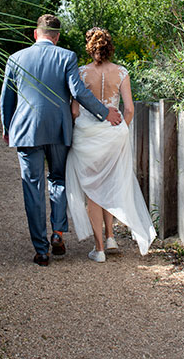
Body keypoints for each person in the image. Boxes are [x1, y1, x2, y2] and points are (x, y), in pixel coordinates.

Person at [1, 14, 122, 266]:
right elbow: (78, 91)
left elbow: (7, 98)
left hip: (26, 131)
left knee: (31, 186)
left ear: (36, 34)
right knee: (58, 178)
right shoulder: (66, 56)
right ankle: (57, 232)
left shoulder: (15, 59)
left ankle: (41, 250)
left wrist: (7, 127)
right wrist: (104, 111)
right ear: (57, 37)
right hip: (58, 130)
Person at [66, 27, 156, 262]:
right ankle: (111, 237)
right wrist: (119, 130)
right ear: (109, 47)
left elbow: (75, 111)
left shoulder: (80, 73)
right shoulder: (122, 72)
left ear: (89, 47)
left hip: (87, 137)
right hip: (114, 135)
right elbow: (129, 109)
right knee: (108, 183)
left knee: (92, 189)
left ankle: (99, 249)